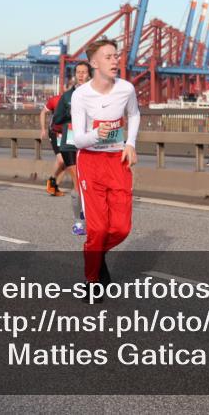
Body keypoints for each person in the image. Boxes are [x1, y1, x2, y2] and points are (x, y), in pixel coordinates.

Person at [71, 39, 140, 286]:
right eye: (109, 57)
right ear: (94, 63)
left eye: (116, 56)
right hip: (90, 161)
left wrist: (130, 143)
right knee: (98, 229)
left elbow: (134, 114)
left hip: (118, 159)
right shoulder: (81, 95)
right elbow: (78, 139)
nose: (115, 61)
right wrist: (96, 135)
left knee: (122, 229)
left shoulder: (126, 89)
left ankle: (96, 255)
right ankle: (92, 281)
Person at [52, 61, 93, 234]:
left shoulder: (96, 94)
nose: (81, 75)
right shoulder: (68, 96)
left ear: (90, 74)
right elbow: (57, 119)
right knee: (78, 184)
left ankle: (91, 216)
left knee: (89, 183)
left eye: (84, 72)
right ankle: (79, 221)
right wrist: (71, 113)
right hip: (70, 143)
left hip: (91, 142)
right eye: (78, 72)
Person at [40, 89, 67, 196]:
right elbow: (43, 112)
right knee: (61, 160)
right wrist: (43, 129)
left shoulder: (77, 101)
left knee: (67, 162)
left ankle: (55, 188)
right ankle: (51, 180)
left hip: (67, 133)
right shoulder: (54, 100)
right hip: (55, 132)